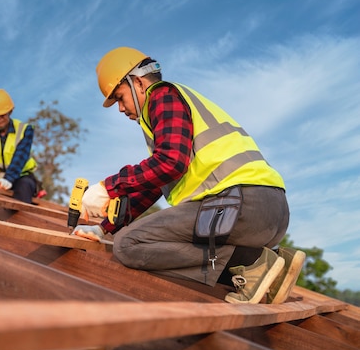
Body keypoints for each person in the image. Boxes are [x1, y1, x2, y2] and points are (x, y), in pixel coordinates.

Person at [72, 46, 305, 304]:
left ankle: (252, 264)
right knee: (128, 237)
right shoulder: (174, 112)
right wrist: (103, 228)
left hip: (238, 207)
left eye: (119, 97)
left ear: (138, 82)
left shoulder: (162, 96)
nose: (120, 108)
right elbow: (154, 186)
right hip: (269, 213)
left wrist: (108, 187)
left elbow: (170, 163)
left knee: (128, 246)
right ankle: (268, 266)